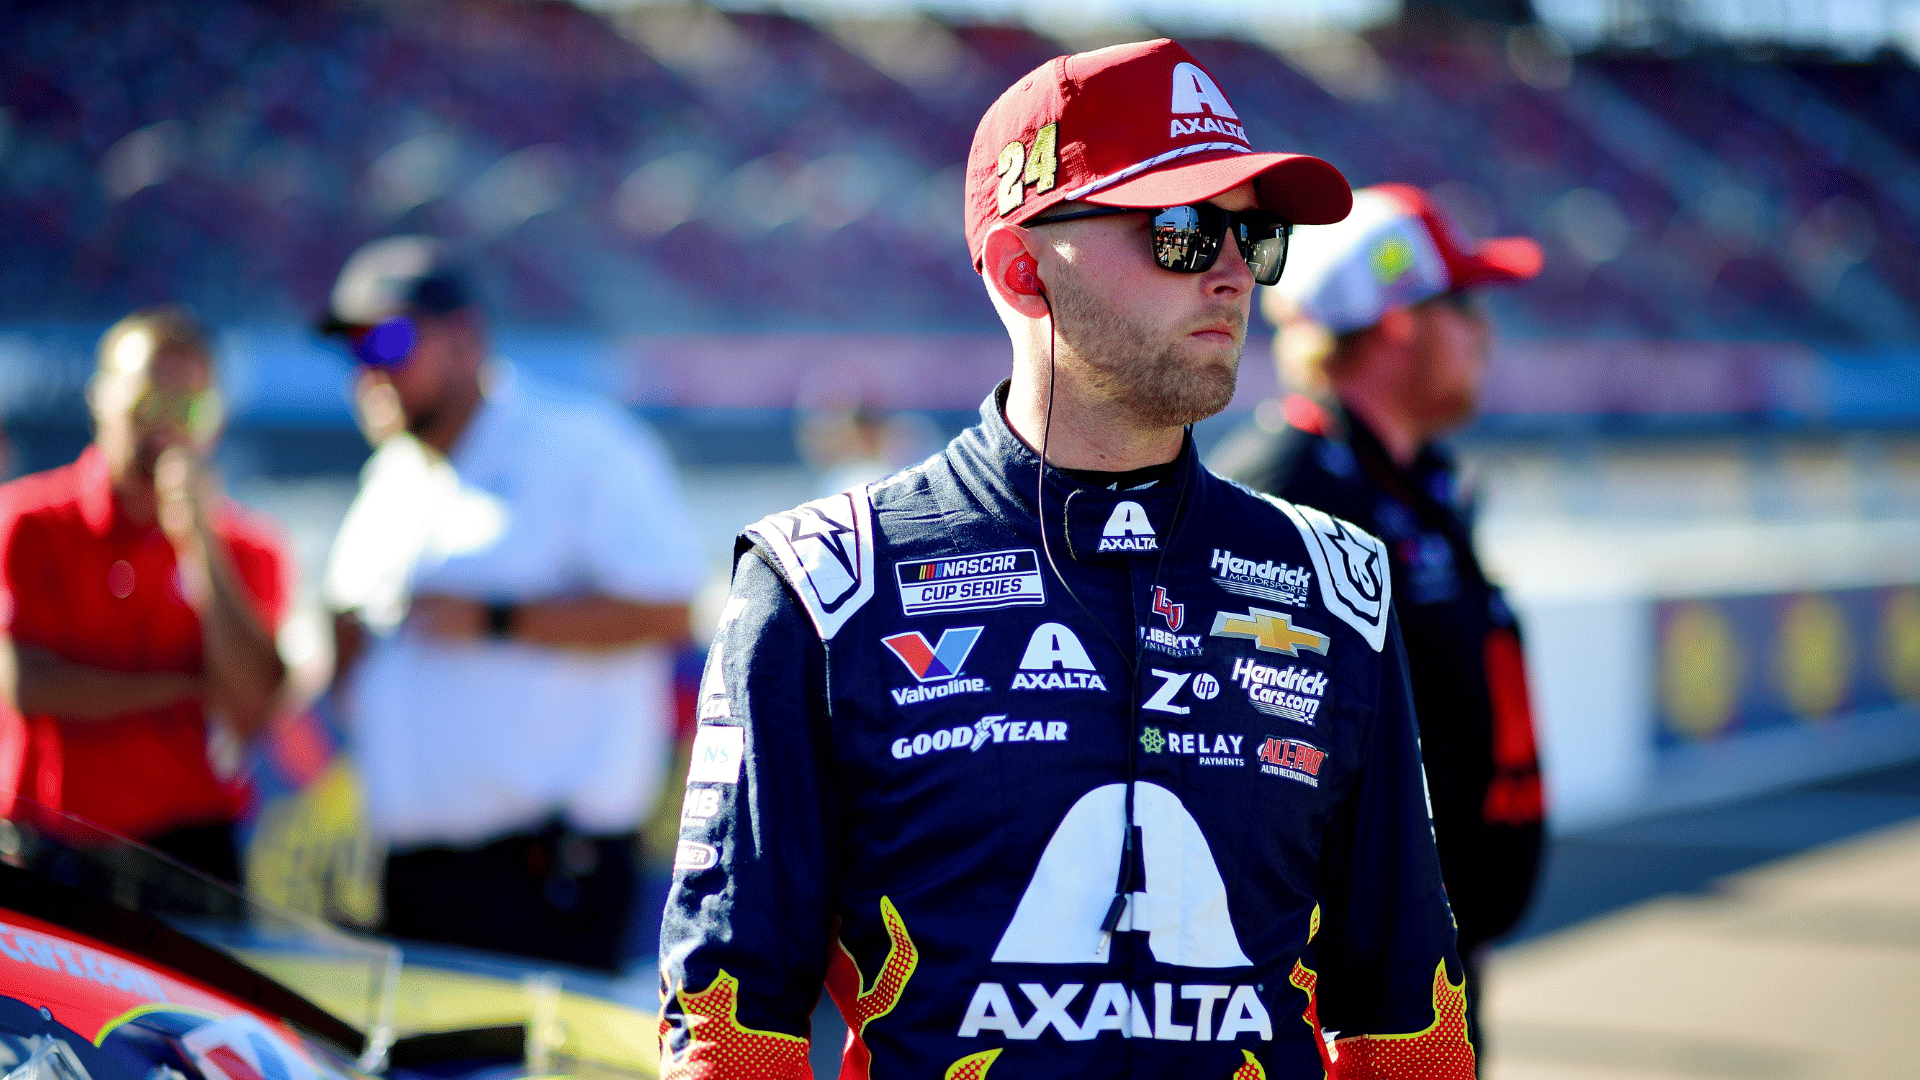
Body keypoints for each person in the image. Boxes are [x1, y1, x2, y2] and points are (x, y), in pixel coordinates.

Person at [660, 40, 1477, 1079]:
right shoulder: (822, 585)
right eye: (1181, 231)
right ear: (1021, 270)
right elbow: (730, 1030)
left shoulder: (1336, 585)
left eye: (1252, 233)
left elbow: (1406, 1020)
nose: (1233, 270)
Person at [1211, 183, 1548, 1054]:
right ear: (1399, 322)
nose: (1486, 332)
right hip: (1329, 1005)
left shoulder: (1418, 482)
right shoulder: (1281, 492)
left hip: (1428, 970)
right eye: (1464, 304)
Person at [319, 237, 702, 973]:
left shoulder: (580, 446)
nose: (371, 370)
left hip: (545, 877)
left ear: (467, 340)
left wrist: (499, 620)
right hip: (413, 876)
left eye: (391, 340)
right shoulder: (390, 481)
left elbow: (669, 610)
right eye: (355, 351)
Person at [0, 307, 290, 884]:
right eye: (147, 401)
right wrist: (184, 688)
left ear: (215, 420)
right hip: (56, 841)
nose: (166, 424)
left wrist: (200, 544)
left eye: (189, 407)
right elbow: (27, 685)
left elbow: (253, 704)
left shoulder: (249, 547)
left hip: (192, 846)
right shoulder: (30, 521)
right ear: (100, 398)